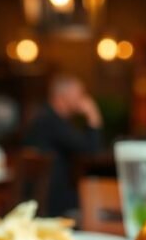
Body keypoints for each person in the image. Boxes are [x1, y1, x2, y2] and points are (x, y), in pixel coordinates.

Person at [23, 74, 102, 216]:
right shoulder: (51, 122)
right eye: (80, 94)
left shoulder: (49, 118)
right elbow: (91, 151)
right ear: (63, 96)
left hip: (44, 198)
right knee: (98, 202)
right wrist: (93, 115)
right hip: (52, 202)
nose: (84, 99)